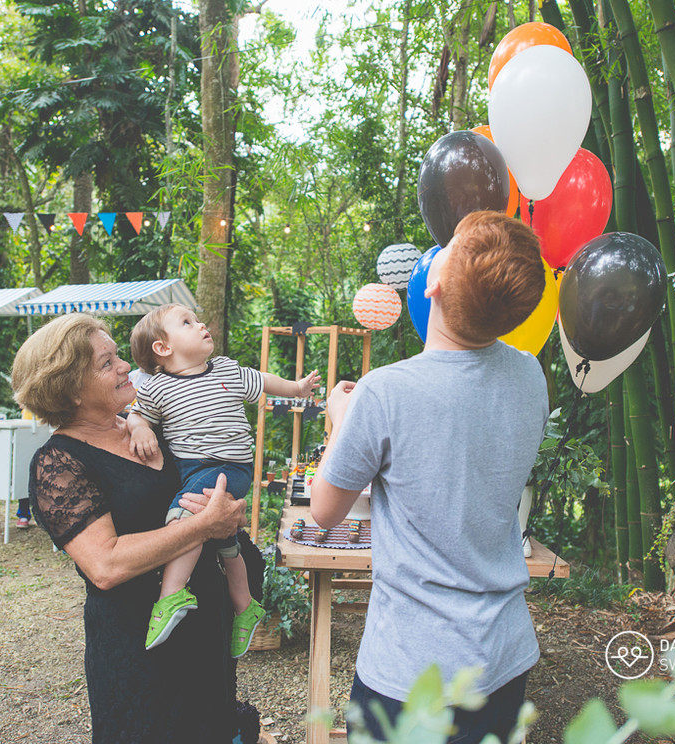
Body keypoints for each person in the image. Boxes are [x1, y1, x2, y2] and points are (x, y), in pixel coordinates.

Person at [311, 210, 549, 744]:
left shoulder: (384, 393)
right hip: (505, 658)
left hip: (411, 672)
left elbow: (326, 510)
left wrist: (340, 420)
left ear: (434, 283)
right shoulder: (530, 375)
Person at [11, 313, 250, 744]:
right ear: (70, 389)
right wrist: (203, 526)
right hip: (140, 646)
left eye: (118, 355)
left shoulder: (151, 427)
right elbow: (105, 564)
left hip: (204, 626)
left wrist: (227, 515)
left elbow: (210, 483)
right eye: (107, 363)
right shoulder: (59, 463)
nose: (125, 366)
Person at [128, 303, 321, 656]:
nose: (201, 324)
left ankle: (170, 593)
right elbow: (137, 415)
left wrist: (296, 388)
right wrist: (140, 429)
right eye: (187, 322)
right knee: (225, 542)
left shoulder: (227, 371)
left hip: (229, 466)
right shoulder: (155, 387)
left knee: (186, 516)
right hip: (189, 467)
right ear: (162, 348)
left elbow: (263, 381)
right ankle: (246, 606)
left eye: (197, 319)